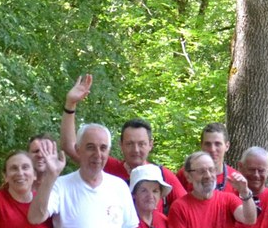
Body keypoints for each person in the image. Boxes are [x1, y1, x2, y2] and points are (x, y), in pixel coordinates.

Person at [60, 74, 187, 204]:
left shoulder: (162, 176)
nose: (136, 149)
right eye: (130, 144)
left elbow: (188, 208)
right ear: (121, 145)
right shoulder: (105, 166)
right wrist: (70, 104)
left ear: (150, 145)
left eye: (141, 144)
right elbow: (70, 146)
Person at [176, 123, 242, 191]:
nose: (212, 149)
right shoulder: (186, 174)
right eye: (207, 144)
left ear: (227, 146)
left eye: (217, 144)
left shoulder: (236, 180)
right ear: (201, 145)